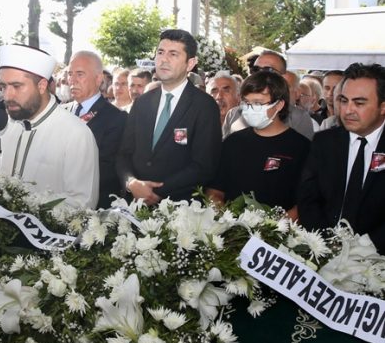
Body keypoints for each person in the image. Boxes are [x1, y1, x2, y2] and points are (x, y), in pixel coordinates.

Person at [117, 29, 222, 205]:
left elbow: (204, 166)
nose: (163, 59)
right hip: (134, 205)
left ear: (190, 63)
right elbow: (123, 154)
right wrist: (131, 182)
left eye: (173, 54)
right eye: (160, 52)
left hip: (178, 210)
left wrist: (154, 192)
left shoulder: (204, 106)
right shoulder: (142, 102)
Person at [0, 44, 99, 209]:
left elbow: (82, 204)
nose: (7, 95)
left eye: (16, 86)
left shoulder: (76, 134)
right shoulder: (4, 125)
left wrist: (26, 208)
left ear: (42, 86)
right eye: (3, 86)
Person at [298, 63, 385, 253]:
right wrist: (326, 245)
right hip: (324, 251)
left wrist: (365, 250)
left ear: (383, 107)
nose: (348, 110)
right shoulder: (324, 142)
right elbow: (308, 199)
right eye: (344, 101)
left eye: (359, 103)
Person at [207, 71, 310, 219]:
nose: (250, 109)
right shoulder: (232, 142)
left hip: (279, 235)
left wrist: (271, 229)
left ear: (279, 105)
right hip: (232, 231)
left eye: (258, 103)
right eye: (247, 103)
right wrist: (228, 220)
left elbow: (305, 204)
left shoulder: (302, 148)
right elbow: (214, 191)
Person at [64, 51, 126, 209]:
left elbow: (105, 167)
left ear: (99, 79)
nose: (72, 80)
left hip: (94, 206)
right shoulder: (61, 112)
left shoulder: (115, 118)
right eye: (70, 74)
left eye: (80, 74)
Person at [222, 51, 315, 140]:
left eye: (268, 70)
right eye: (255, 69)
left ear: (282, 77)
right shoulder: (234, 114)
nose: (260, 74)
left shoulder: (298, 118)